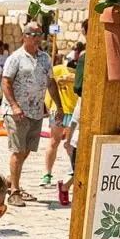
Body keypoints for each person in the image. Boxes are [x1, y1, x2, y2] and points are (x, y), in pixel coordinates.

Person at [2, 23, 62, 206]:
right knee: (18, 151)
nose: (37, 37)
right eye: (33, 34)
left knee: (26, 151)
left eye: (39, 33)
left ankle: (9, 181)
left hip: (37, 112)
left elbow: (51, 83)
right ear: (24, 36)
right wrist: (14, 106)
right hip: (17, 112)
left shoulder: (44, 58)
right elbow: (5, 83)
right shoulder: (16, 58)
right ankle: (14, 192)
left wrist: (59, 106)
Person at [41, 56, 77, 188]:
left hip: (75, 112)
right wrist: (49, 106)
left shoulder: (81, 73)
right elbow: (49, 87)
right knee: (54, 141)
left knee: (71, 145)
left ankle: (75, 172)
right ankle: (47, 173)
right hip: (58, 110)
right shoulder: (57, 70)